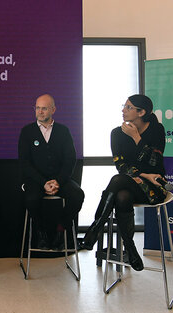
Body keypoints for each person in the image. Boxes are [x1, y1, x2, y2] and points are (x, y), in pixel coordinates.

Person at [80, 94, 167, 271]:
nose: (123, 110)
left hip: (153, 188)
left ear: (141, 112)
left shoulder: (156, 130)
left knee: (119, 185)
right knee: (121, 195)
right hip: (129, 183)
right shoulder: (116, 133)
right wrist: (144, 174)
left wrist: (136, 138)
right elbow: (121, 165)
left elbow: (155, 163)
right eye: (124, 106)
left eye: (128, 107)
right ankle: (130, 249)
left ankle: (94, 230)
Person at [18, 94, 84, 250]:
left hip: (60, 179)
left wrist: (58, 181)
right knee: (31, 199)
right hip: (36, 180)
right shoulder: (27, 131)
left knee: (77, 195)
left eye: (44, 108)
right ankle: (42, 234)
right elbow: (25, 163)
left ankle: (61, 230)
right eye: (38, 108)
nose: (40, 112)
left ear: (53, 110)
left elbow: (70, 160)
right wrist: (44, 183)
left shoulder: (63, 131)